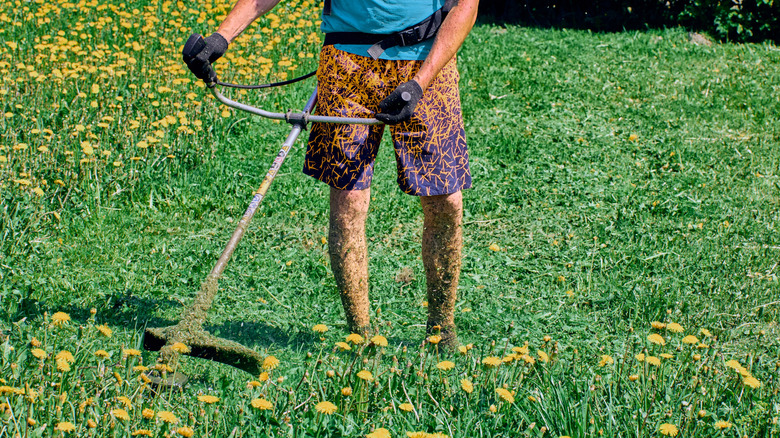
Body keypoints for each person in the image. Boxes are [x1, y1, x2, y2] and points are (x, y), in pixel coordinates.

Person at [185, 0, 478, 348]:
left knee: (445, 200)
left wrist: (419, 83)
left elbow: (467, 5)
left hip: (428, 64)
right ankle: (361, 338)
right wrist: (221, 37)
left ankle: (442, 331)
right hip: (346, 66)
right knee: (348, 204)